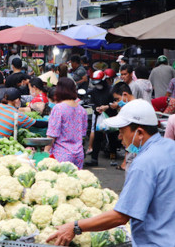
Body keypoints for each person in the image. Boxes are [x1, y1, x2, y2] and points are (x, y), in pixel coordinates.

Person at [47, 99, 175, 247]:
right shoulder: (170, 147)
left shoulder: (144, 163)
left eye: (122, 132)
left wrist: (75, 226)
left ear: (139, 132)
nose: (120, 137)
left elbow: (121, 216)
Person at [45, 77, 88, 169]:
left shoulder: (58, 108)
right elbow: (83, 133)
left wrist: (46, 151)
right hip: (79, 154)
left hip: (61, 154)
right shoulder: (82, 110)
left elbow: (52, 134)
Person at [84, 71, 119, 167]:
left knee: (112, 138)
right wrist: (96, 108)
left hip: (111, 116)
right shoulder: (94, 91)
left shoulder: (111, 90)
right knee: (96, 137)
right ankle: (94, 159)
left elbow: (116, 103)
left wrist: (107, 107)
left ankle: (113, 157)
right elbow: (92, 103)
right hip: (99, 117)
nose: (97, 85)